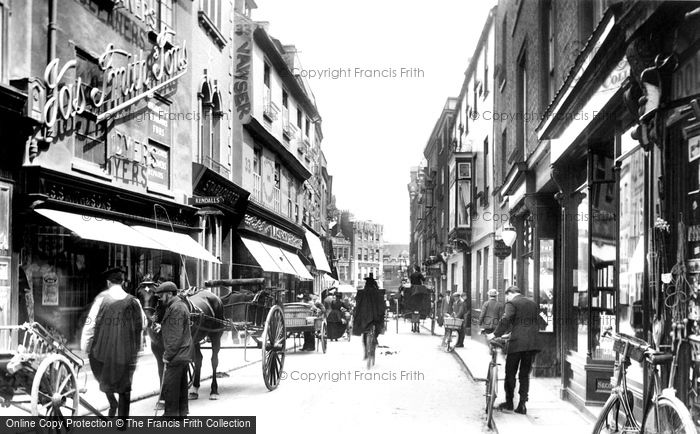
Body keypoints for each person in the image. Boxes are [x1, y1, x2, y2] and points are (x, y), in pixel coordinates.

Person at [80, 267, 145, 419]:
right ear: (122, 282)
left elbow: (90, 326)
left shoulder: (101, 301)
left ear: (108, 283)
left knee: (104, 377)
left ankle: (112, 402)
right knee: (125, 387)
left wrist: (86, 347)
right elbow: (142, 324)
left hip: (104, 352)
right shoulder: (134, 301)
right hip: (127, 352)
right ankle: (122, 424)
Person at [487, 286, 543, 415]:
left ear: (510, 294)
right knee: (524, 374)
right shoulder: (533, 303)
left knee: (510, 373)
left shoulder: (512, 303)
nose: (506, 299)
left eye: (507, 296)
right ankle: (522, 404)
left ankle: (509, 403)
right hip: (532, 343)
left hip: (517, 343)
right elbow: (532, 322)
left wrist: (495, 334)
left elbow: (506, 319)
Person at [156, 281, 193, 417]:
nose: (160, 299)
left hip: (177, 354)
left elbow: (175, 337)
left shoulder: (176, 308)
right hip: (183, 353)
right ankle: (181, 413)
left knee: (171, 385)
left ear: (170, 294)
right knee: (181, 385)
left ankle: (170, 416)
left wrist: (167, 355)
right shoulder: (178, 305)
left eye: (161, 296)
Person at [353, 273, 385, 358]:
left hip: (364, 317)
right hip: (375, 317)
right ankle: (375, 340)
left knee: (364, 332)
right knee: (377, 329)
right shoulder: (378, 293)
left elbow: (357, 304)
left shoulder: (361, 293)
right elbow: (382, 306)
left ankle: (366, 353)